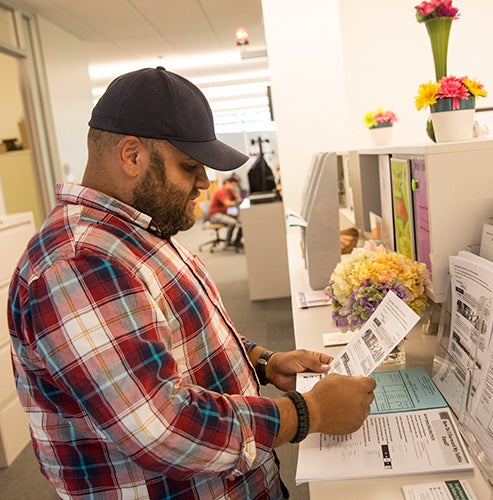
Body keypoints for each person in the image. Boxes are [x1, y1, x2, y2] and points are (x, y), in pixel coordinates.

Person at [8, 66, 375, 499]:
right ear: (131, 156)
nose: (205, 182)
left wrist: (262, 361)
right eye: (189, 166)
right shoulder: (79, 263)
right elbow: (161, 427)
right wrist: (308, 412)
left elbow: (171, 337)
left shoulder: (137, 231)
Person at [209, 176, 243, 248]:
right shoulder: (221, 191)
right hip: (215, 215)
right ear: (227, 183)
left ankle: (237, 241)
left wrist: (235, 192)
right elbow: (228, 203)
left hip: (224, 213)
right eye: (233, 185)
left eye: (235, 185)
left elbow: (239, 199)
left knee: (241, 221)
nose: (234, 187)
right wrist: (236, 201)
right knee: (233, 222)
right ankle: (227, 242)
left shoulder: (230, 191)